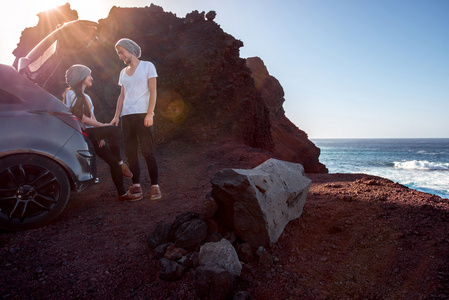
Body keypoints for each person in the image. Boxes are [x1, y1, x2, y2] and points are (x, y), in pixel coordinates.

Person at [63, 64, 142, 202]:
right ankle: (121, 161)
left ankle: (122, 194)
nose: (92, 78)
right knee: (112, 129)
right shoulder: (71, 93)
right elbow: (81, 118)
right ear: (80, 77)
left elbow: (91, 117)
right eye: (89, 75)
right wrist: (103, 126)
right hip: (83, 133)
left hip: (92, 133)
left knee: (112, 162)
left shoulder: (85, 96)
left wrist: (101, 134)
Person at [111, 38, 162, 200]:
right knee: (131, 153)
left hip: (142, 115)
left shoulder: (148, 66)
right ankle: (137, 186)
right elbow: (122, 96)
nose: (120, 56)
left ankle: (155, 187)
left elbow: (153, 91)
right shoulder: (122, 73)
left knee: (147, 151)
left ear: (130, 50)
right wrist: (116, 116)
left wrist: (150, 113)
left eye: (121, 52)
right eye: (118, 53)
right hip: (127, 116)